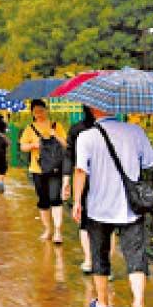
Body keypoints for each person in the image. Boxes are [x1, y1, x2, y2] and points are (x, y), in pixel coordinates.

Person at [72, 104, 153, 307]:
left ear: (91, 110)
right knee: (135, 256)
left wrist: (77, 202)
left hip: (98, 207)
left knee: (99, 255)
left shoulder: (86, 137)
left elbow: (81, 171)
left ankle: (102, 302)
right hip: (131, 207)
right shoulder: (135, 131)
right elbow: (150, 161)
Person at [62, 106, 111, 274]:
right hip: (107, 180)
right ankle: (104, 265)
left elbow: (70, 156)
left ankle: (90, 261)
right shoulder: (114, 129)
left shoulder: (77, 130)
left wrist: (66, 180)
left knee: (85, 222)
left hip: (85, 180)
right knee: (107, 223)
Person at [19, 99, 68, 243]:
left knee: (55, 199)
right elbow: (22, 147)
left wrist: (55, 135)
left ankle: (58, 232)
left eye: (41, 110)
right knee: (43, 201)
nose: (39, 114)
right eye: (36, 111)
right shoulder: (30, 129)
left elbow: (66, 145)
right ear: (32, 113)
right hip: (37, 169)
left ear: (46, 110)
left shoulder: (56, 126)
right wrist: (33, 145)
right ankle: (48, 229)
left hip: (54, 168)